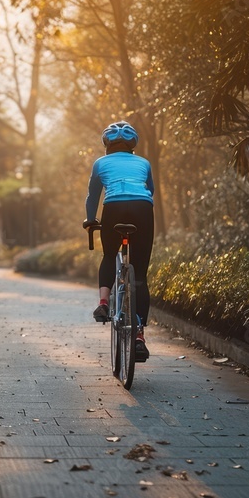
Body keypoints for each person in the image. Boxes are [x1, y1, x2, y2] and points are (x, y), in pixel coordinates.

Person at [82, 121, 154, 361]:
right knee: (140, 277)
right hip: (142, 209)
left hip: (113, 209)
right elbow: (150, 191)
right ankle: (139, 335)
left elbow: (93, 196)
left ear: (107, 144)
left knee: (110, 254)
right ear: (133, 145)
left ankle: (103, 303)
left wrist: (90, 220)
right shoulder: (144, 163)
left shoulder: (100, 163)